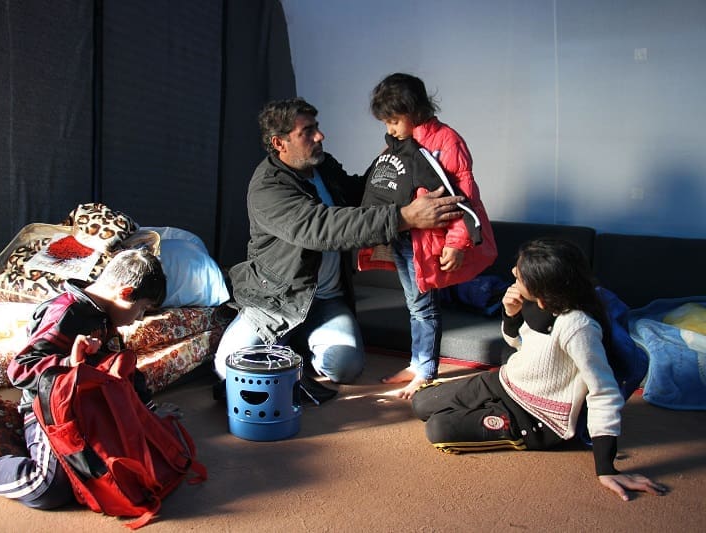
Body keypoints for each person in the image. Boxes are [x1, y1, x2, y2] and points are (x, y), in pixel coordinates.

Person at [212, 97, 465, 390]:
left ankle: (298, 344)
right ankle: (288, 340)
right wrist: (405, 217)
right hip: (276, 301)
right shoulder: (268, 187)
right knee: (228, 369)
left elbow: (360, 196)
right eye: (307, 132)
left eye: (316, 127)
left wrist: (391, 160)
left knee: (345, 366)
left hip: (326, 299)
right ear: (280, 143)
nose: (320, 136)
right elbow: (322, 227)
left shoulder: (323, 165)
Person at [0, 248, 167, 509]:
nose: (139, 319)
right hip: (50, 408)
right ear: (124, 292)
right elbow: (20, 370)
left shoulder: (106, 319)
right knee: (47, 487)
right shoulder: (66, 315)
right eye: (142, 309)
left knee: (137, 464)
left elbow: (124, 371)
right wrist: (68, 364)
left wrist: (150, 414)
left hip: (90, 408)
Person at [411, 238, 668, 501]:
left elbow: (604, 393)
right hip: (508, 382)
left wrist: (606, 467)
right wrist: (510, 315)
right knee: (421, 402)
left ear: (544, 296)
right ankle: (483, 409)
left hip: (537, 417)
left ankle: (498, 422)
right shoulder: (536, 300)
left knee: (438, 429)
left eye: (520, 274)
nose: (513, 273)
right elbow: (520, 345)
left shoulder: (578, 327)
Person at [359, 73, 496, 399]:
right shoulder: (398, 142)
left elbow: (464, 196)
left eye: (394, 120)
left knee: (424, 307)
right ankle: (416, 362)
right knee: (415, 305)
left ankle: (425, 369)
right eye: (386, 122)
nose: (389, 128)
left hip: (429, 241)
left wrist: (456, 243)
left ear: (414, 109)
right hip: (402, 237)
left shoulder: (446, 141)